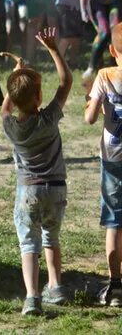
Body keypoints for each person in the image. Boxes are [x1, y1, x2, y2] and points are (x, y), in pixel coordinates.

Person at [1, 28, 72, 316]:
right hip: (55, 187)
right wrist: (53, 49)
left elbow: (5, 109)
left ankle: (32, 297)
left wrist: (16, 75)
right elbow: (66, 83)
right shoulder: (49, 119)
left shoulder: (11, 126)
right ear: (40, 96)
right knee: (50, 238)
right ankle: (55, 286)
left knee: (28, 243)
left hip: (27, 190)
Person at [84, 22, 122, 307]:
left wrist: (89, 104)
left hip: (112, 158)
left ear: (111, 50)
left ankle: (115, 286)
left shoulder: (105, 75)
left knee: (114, 222)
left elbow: (90, 118)